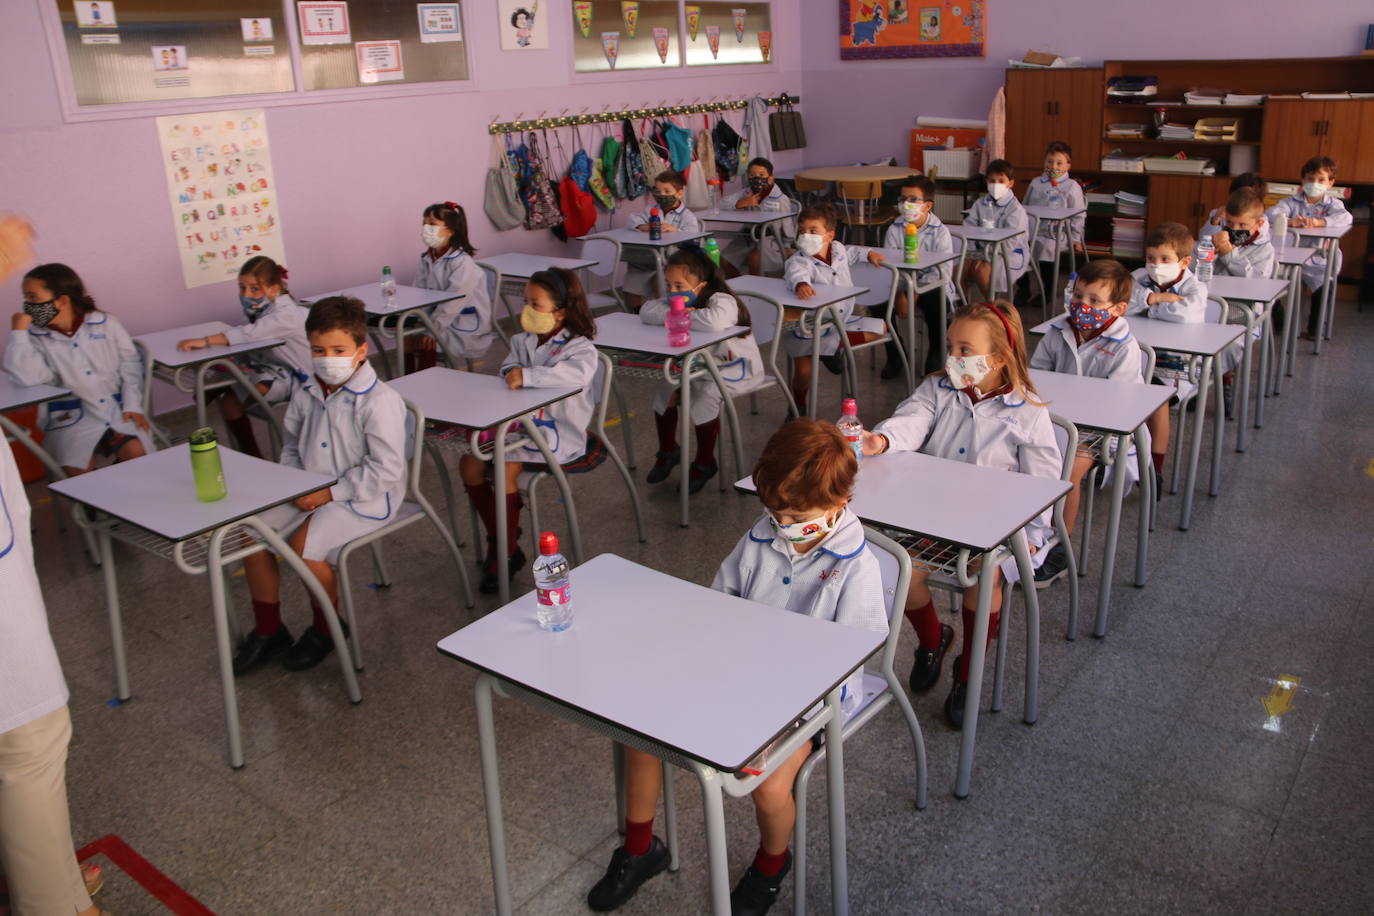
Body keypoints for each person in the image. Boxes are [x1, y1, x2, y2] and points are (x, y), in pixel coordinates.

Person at [586, 418, 887, 915]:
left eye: (793, 514)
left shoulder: (857, 567)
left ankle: (772, 866)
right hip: (736, 672)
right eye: (774, 512)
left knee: (769, 786)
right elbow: (719, 599)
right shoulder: (763, 535)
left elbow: (851, 656)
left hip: (810, 700)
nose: (782, 524)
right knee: (639, 728)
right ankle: (641, 849)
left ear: (839, 504)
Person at [862, 302, 1061, 728]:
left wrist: (1030, 534)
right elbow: (911, 421)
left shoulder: (1027, 410)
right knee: (903, 573)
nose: (953, 357)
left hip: (994, 528)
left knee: (985, 581)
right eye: (950, 346)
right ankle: (934, 639)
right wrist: (882, 440)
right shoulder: (938, 389)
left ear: (999, 357)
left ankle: (967, 672)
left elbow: (1042, 484)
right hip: (933, 515)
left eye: (964, 348)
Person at [0, 214, 105, 916]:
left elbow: (118, 379)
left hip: (103, 421)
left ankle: (42, 881)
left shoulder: (103, 326)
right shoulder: (31, 335)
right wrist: (20, 326)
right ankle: (55, 903)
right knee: (30, 743)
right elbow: (24, 377)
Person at [231, 296, 408, 674]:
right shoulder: (308, 388)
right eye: (318, 350)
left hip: (365, 497)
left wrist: (330, 493)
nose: (328, 358)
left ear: (361, 350)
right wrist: (294, 485)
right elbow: (293, 443)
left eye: (338, 350)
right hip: (308, 489)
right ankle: (269, 630)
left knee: (302, 549)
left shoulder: (380, 401)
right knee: (251, 535)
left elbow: (387, 470)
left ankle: (327, 627)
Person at [459, 269, 598, 594]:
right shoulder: (522, 340)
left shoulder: (580, 348)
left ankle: (502, 555)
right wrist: (513, 371)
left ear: (560, 311)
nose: (526, 310)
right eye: (525, 302)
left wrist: (529, 376)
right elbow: (508, 365)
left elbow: (573, 378)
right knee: (469, 464)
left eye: (535, 304)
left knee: (505, 467)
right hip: (518, 423)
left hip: (557, 433)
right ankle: (502, 536)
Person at [1029, 260, 1144, 584]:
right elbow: (1037, 378)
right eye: (1079, 296)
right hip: (1057, 419)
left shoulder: (1125, 348)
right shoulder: (1058, 331)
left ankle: (1058, 546)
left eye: (1095, 300)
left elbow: (1118, 405)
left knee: (1068, 470)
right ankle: (1026, 534)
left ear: (1118, 309)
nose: (1083, 306)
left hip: (1099, 430)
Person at [5, 263, 149, 477]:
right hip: (69, 417)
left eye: (33, 298)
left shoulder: (106, 324)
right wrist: (18, 335)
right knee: (78, 469)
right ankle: (91, 510)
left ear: (62, 300)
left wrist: (133, 404)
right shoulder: (32, 337)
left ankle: (132, 502)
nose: (27, 305)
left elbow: (130, 364)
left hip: (116, 408)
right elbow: (30, 378)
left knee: (136, 452)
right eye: (26, 298)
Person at [641, 248, 760, 493]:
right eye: (668, 285)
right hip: (697, 366)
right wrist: (679, 312)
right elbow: (646, 311)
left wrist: (679, 316)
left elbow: (714, 321)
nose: (672, 291)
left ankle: (705, 461)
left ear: (701, 284)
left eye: (679, 285)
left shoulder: (721, 299)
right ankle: (668, 451)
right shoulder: (675, 300)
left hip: (733, 367)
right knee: (666, 385)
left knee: (705, 394)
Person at [175, 256, 309, 458]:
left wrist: (205, 341)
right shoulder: (256, 311)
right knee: (230, 401)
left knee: (253, 387)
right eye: (241, 288)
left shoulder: (287, 315)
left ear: (274, 289)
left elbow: (249, 334)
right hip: (272, 370)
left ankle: (226, 383)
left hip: (301, 378)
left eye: (254, 289)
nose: (246, 294)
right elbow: (250, 343)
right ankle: (251, 454)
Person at [782, 204, 886, 416]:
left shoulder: (837, 249)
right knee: (803, 371)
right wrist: (801, 285)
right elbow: (796, 273)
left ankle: (830, 349)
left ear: (829, 236)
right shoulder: (799, 260)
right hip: (809, 326)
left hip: (840, 319)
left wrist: (869, 253)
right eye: (802, 231)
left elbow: (853, 252)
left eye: (813, 231)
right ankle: (797, 406)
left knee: (881, 327)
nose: (805, 236)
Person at [1128, 221, 1206, 465]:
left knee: (1157, 398)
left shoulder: (1195, 287)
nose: (1156, 265)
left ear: (1184, 262)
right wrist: (1155, 298)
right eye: (1151, 258)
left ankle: (1155, 466)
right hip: (1137, 358)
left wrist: (1147, 305)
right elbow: (1118, 303)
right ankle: (1121, 456)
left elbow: (1186, 314)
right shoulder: (1139, 278)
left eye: (1164, 259)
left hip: (1173, 365)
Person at [1265, 155, 1352, 340]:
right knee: (1272, 287)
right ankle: (1280, 322)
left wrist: (1320, 222)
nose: (1315, 183)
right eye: (1310, 179)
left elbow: (1346, 218)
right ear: (1302, 181)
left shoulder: (1333, 204)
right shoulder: (1291, 202)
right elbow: (1271, 214)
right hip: (1292, 258)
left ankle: (1315, 330)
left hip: (1321, 261)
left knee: (1322, 293)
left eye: (1321, 180)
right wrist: (1290, 221)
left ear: (1331, 183)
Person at [880, 175, 955, 379]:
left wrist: (915, 290)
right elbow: (890, 266)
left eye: (913, 200)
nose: (906, 204)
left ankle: (936, 352)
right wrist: (902, 291)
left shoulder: (940, 233)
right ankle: (895, 352)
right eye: (903, 199)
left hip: (932, 288)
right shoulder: (895, 228)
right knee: (877, 302)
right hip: (900, 287)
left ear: (927, 205)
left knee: (936, 301)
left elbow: (942, 272)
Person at [412, 201, 494, 372]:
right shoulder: (427, 258)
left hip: (462, 325)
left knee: (424, 341)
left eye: (433, 224)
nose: (426, 228)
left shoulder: (462, 263)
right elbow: (418, 293)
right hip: (440, 319)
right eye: (424, 224)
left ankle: (425, 379)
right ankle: (411, 378)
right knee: (406, 334)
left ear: (450, 231)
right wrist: (416, 319)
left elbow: (453, 303)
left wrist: (431, 329)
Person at [624, 170, 702, 310]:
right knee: (633, 278)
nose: (662, 195)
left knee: (659, 282)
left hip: (672, 259)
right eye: (658, 192)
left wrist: (676, 230)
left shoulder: (687, 216)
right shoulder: (651, 209)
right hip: (648, 259)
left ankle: (660, 310)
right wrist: (644, 226)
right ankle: (636, 313)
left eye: (667, 191)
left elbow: (693, 238)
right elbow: (632, 220)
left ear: (679, 193)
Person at [1024, 141, 1087, 300]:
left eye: (1059, 163)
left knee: (1046, 247)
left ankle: (1047, 292)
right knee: (1016, 248)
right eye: (1049, 162)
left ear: (1068, 166)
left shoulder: (1072, 186)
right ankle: (1022, 290)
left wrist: (1076, 238)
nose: (1053, 166)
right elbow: (1024, 208)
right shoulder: (1036, 183)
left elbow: (1078, 216)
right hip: (1034, 230)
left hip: (1058, 234)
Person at [959, 159, 1029, 302]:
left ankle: (994, 307)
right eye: (992, 181)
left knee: (981, 269)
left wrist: (985, 253)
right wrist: (973, 251)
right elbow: (968, 229)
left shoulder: (1015, 209)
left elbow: (1011, 242)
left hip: (1008, 254)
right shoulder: (980, 204)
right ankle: (962, 302)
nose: (996, 185)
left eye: (1001, 181)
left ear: (1011, 183)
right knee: (959, 266)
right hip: (981, 251)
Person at [719, 157, 796, 277]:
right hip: (747, 237)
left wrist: (787, 246)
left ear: (770, 178)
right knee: (723, 259)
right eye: (752, 175)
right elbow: (722, 203)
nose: (756, 178)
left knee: (754, 258)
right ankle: (740, 288)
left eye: (761, 174)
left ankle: (756, 290)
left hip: (771, 239)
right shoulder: (746, 193)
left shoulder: (781, 199)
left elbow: (787, 226)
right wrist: (741, 203)